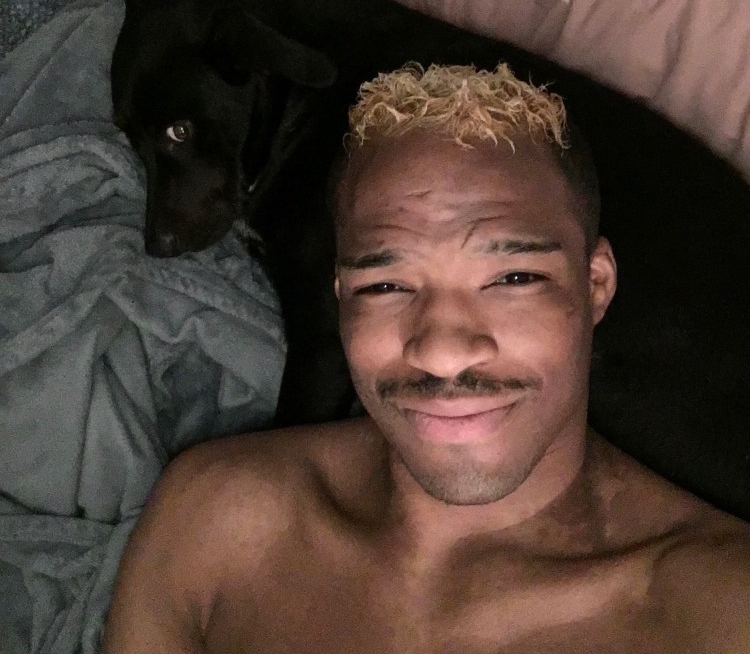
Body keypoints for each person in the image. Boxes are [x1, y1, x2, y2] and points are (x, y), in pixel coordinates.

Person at [103, 63, 750, 653]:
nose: (441, 353)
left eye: (513, 278)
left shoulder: (718, 608)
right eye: (386, 285)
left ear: (595, 284)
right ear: (341, 297)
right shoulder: (215, 518)